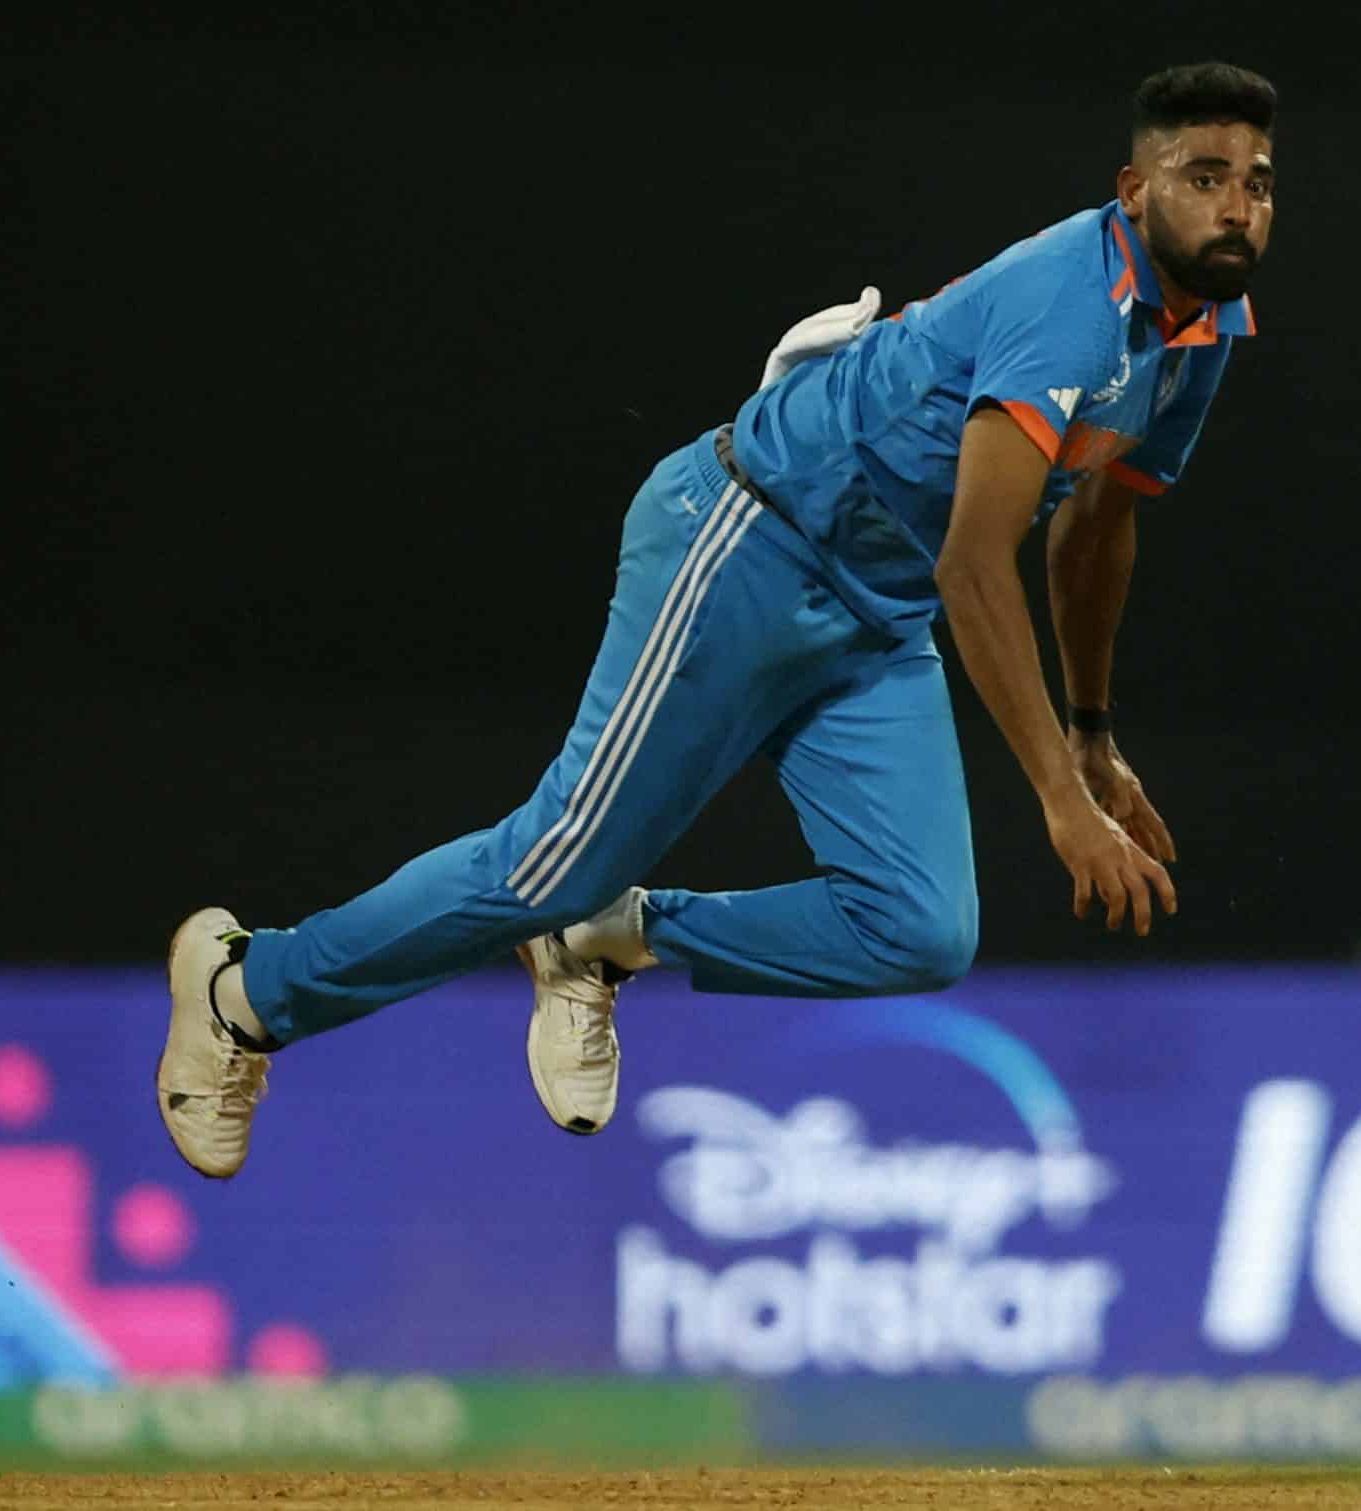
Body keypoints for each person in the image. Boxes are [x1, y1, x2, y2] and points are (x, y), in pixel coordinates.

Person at [156, 61, 1278, 1177]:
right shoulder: (1070, 303)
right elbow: (978, 564)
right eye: (1204, 176)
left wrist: (1091, 726)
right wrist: (1060, 802)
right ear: (1134, 189)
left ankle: (609, 936)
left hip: (874, 609)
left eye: (1259, 183)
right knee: (550, 859)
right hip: (752, 540)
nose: (1236, 205)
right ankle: (246, 990)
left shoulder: (1203, 327)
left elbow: (1096, 527)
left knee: (919, 928)